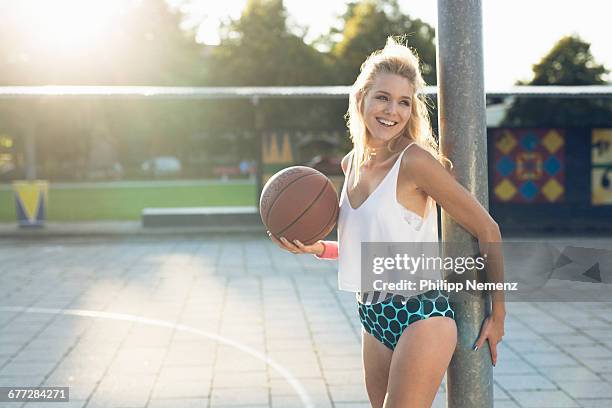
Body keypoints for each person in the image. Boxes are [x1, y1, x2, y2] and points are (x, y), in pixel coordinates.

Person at [268, 36, 505, 408]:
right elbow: (366, 247)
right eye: (382, 97)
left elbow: (488, 229)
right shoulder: (350, 165)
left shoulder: (414, 162)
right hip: (372, 315)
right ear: (361, 97)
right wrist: (320, 248)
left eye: (404, 102)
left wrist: (498, 313)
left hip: (421, 315)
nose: (392, 110)